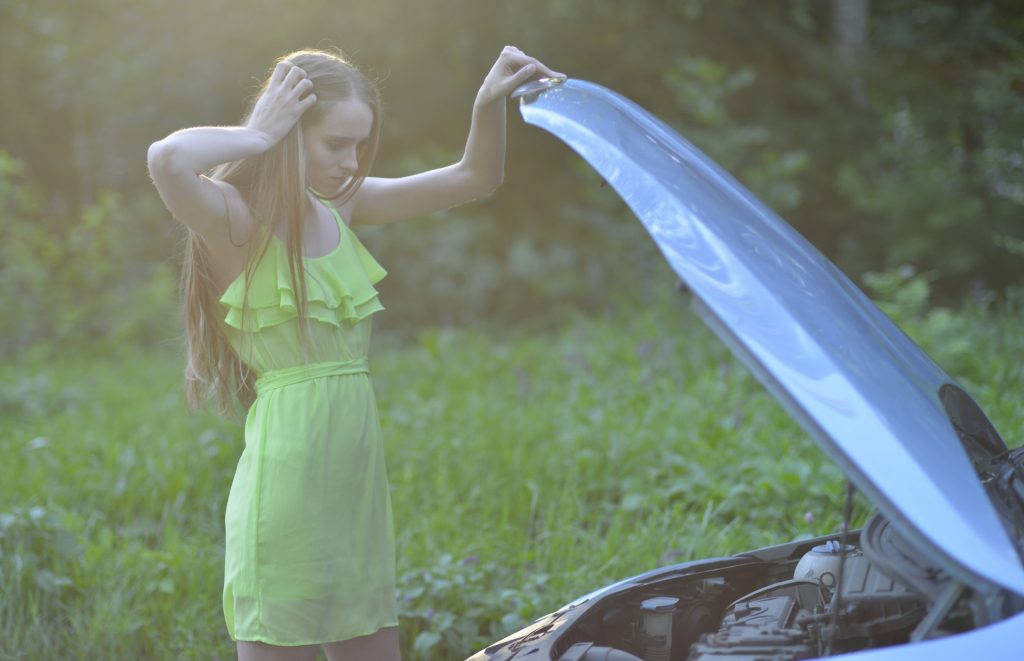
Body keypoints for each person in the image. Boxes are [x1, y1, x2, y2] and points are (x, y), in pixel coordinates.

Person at [146, 46, 564, 661]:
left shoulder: (342, 207)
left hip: (355, 487)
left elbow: (475, 178)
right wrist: (257, 132)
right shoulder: (233, 219)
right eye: (335, 144)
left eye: (359, 148)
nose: (349, 164)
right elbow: (167, 159)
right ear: (290, 135)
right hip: (284, 490)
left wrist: (487, 102)